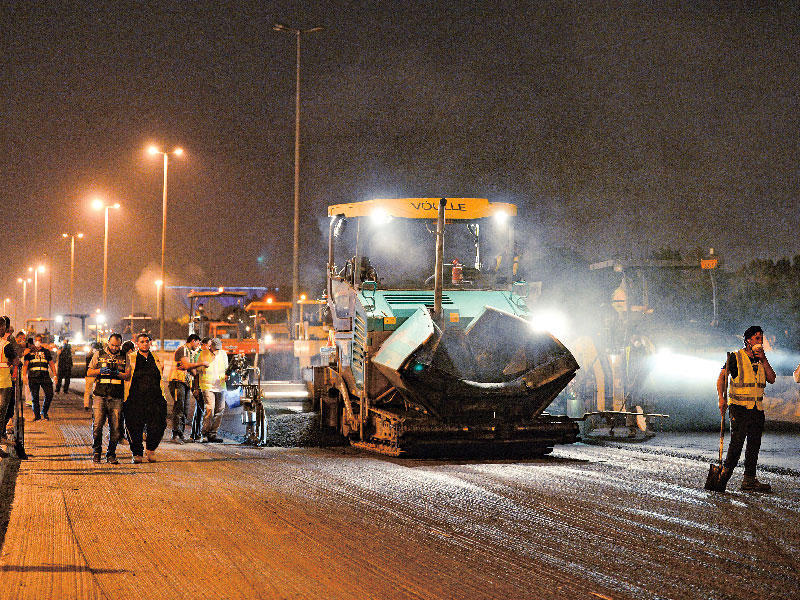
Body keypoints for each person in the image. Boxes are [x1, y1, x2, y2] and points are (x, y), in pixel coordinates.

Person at [716, 325, 776, 492]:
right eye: (757, 339)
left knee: (754, 446)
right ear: (748, 340)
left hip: (757, 409)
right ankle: (722, 479)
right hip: (739, 408)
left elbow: (771, 378)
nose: (760, 342)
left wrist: (764, 359)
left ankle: (749, 481)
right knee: (736, 444)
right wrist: (721, 398)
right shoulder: (736, 357)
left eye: (761, 339)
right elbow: (721, 379)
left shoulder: (761, 359)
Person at [123, 333, 168, 463]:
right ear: (137, 344)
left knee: (158, 425)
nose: (144, 343)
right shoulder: (130, 357)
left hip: (155, 399)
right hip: (135, 399)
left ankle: (151, 449)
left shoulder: (156, 358)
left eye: (147, 341)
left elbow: (161, 375)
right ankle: (137, 453)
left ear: (150, 343)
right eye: (142, 341)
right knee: (134, 426)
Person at [86, 333, 130, 464]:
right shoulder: (99, 354)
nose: (115, 348)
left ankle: (111, 454)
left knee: (115, 428)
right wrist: (100, 371)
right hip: (100, 395)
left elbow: (127, 375)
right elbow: (89, 372)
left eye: (117, 346)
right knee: (97, 426)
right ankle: (97, 452)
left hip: (116, 397)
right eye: (112, 345)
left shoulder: (124, 356)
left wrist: (118, 374)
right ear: (108, 343)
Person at [168, 334, 206, 443]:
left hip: (185, 383)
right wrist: (201, 363)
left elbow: (192, 370)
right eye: (198, 343)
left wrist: (197, 368)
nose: (198, 346)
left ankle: (181, 434)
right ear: (193, 341)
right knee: (179, 408)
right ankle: (175, 435)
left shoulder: (190, 353)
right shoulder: (183, 349)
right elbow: (187, 365)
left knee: (185, 409)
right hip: (177, 381)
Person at [198, 337, 227, 443]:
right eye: (215, 348)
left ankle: (213, 434)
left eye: (219, 349)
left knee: (220, 410)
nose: (217, 351)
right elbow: (198, 369)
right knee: (210, 409)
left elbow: (226, 368)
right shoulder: (203, 354)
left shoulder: (223, 354)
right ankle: (204, 433)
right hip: (208, 386)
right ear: (211, 346)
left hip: (220, 386)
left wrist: (226, 375)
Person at [22, 333, 57, 420]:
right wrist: (24, 375)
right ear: (33, 342)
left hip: (45, 376)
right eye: (36, 340)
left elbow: (51, 364)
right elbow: (25, 365)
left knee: (49, 394)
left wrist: (55, 375)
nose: (38, 342)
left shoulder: (46, 351)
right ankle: (37, 416)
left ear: (42, 341)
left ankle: (44, 412)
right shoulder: (29, 352)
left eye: (40, 340)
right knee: (35, 398)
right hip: (33, 377)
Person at [0, 316, 17, 457]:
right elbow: (15, 360)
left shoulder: (7, 343)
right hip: (4, 382)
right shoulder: (6, 344)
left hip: (5, 382)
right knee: (1, 413)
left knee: (2, 413)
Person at [189, 337, 210, 441]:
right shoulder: (199, 355)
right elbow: (196, 373)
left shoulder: (205, 354)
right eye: (209, 345)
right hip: (198, 385)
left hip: (202, 385)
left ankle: (194, 434)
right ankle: (197, 433)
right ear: (204, 345)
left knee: (199, 410)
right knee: (201, 409)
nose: (210, 347)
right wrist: (196, 388)